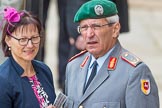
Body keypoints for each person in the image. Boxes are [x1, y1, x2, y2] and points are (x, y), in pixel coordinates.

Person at [64, 0, 159, 108]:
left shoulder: (134, 73)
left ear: (115, 29)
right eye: (84, 28)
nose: (89, 34)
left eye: (96, 26)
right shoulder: (73, 67)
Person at [0, 7, 56, 108]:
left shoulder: (44, 70)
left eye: (34, 38)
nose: (30, 45)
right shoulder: (3, 79)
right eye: (23, 39)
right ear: (8, 40)